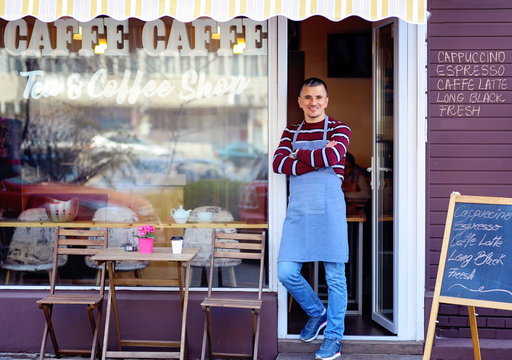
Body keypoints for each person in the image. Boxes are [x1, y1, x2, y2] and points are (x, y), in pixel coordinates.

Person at [273, 77, 351, 360]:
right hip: (299, 213)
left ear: (326, 101)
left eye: (318, 97)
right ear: (300, 101)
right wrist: (317, 157)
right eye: (308, 97)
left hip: (330, 211)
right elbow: (278, 163)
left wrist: (299, 156)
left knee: (335, 278)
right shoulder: (291, 130)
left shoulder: (340, 128)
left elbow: (335, 153)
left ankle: (334, 339)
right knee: (285, 272)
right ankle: (318, 312)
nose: (313, 103)